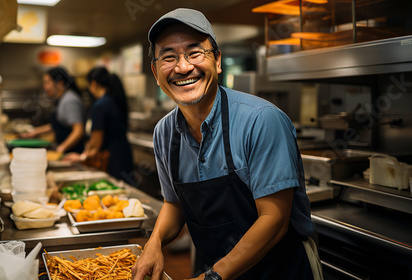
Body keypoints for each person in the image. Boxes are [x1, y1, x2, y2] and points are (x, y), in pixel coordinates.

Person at [131, 8, 323, 280]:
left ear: (218, 60)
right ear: (155, 71)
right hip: (216, 270)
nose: (183, 67)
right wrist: (154, 242)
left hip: (281, 271)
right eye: (169, 57)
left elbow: (274, 220)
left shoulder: (261, 120)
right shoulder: (164, 132)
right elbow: (174, 204)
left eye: (195, 53)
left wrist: (213, 277)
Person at [63, 67, 134, 183]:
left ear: (93, 83)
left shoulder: (99, 105)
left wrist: (81, 157)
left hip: (111, 160)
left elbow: (96, 144)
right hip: (123, 154)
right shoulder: (114, 99)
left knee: (115, 193)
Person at [21, 66, 85, 154]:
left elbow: (78, 130)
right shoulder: (61, 99)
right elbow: (58, 125)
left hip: (72, 153)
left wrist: (61, 149)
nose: (45, 87)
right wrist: (35, 132)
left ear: (60, 83)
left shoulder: (70, 101)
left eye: (47, 83)